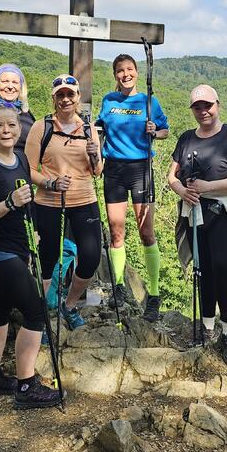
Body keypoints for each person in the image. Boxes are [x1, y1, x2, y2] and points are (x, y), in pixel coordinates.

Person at [0, 102, 62, 409]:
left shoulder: (21, 158)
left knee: (1, 307)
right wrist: (9, 203)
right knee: (35, 311)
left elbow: (28, 203)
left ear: (19, 128)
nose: (6, 130)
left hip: (16, 248)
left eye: (11, 125)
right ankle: (26, 385)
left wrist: (32, 233)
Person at [168, 84, 227, 366]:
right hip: (194, 213)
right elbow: (172, 176)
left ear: (218, 105)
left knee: (224, 270)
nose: (203, 111)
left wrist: (207, 187)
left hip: (223, 213)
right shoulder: (186, 139)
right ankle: (206, 326)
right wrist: (182, 191)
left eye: (208, 106)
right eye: (198, 107)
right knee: (202, 271)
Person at [24, 75, 103, 331]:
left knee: (90, 258)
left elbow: (97, 170)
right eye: (61, 95)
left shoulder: (89, 128)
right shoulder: (41, 127)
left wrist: (95, 156)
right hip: (48, 200)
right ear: (54, 99)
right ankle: (41, 317)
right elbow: (28, 169)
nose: (66, 99)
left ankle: (68, 306)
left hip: (84, 198)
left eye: (70, 94)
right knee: (47, 258)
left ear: (78, 97)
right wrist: (51, 182)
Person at [96, 54, 170, 320]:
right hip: (114, 169)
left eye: (129, 69)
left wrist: (155, 130)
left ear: (137, 72)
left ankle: (153, 293)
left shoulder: (149, 102)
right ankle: (118, 287)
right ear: (115, 74)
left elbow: (165, 130)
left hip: (141, 169)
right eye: (119, 70)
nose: (125, 74)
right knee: (116, 231)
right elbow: (97, 128)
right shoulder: (108, 100)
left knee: (145, 232)